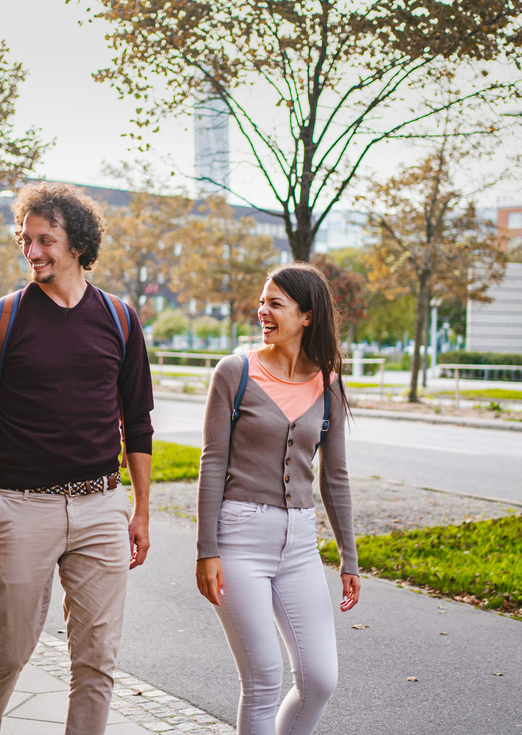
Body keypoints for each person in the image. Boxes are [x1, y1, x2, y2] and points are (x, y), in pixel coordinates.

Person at [0, 182, 154, 735]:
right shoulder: (3, 318)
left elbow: (138, 423)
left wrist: (141, 510)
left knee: (97, 659)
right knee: (8, 652)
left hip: (102, 507)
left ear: (78, 245)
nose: (31, 251)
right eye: (25, 239)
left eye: (45, 240)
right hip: (22, 507)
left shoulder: (120, 319)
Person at [196, 262, 360, 735]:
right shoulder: (235, 372)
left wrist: (349, 557)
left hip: (300, 544)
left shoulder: (329, 384)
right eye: (261, 302)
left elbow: (335, 477)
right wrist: (206, 550)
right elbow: (212, 462)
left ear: (307, 316)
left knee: (320, 680)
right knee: (263, 679)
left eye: (275, 304)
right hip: (239, 537)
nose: (262, 311)